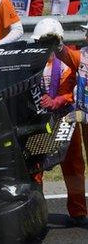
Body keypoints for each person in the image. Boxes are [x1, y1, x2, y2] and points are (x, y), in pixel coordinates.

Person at [42, 21, 88, 226]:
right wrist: (58, 46)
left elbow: (68, 90)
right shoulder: (82, 55)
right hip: (79, 120)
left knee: (74, 165)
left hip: (68, 118)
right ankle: (36, 213)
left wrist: (58, 101)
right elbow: (69, 56)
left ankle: (78, 211)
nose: (86, 37)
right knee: (36, 165)